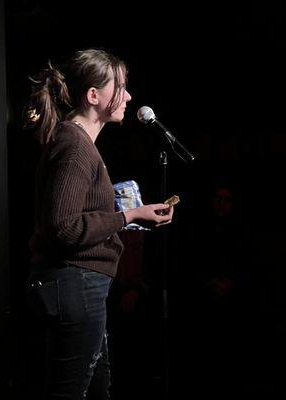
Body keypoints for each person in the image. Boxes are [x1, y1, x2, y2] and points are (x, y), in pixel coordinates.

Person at [22, 48, 173, 400]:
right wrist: (128, 216)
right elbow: (64, 227)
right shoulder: (75, 146)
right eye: (120, 86)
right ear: (93, 96)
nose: (129, 96)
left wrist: (126, 213)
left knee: (97, 387)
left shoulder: (79, 144)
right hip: (74, 284)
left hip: (82, 286)